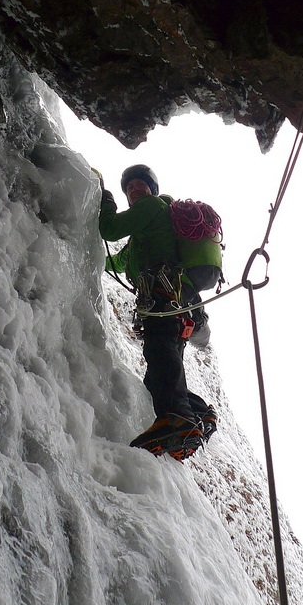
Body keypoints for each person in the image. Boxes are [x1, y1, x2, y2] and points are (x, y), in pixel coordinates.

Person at [97, 163, 217, 459]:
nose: (134, 190)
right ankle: (199, 414)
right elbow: (114, 263)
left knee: (160, 352)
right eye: (129, 188)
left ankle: (179, 420)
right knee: (159, 372)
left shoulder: (152, 207)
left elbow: (110, 229)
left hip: (167, 298)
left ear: (152, 190)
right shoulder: (144, 239)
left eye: (140, 185)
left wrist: (105, 197)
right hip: (181, 304)